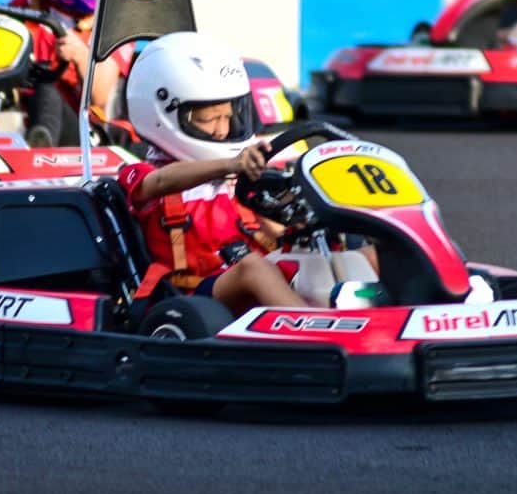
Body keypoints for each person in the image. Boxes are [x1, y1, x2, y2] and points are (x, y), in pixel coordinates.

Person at [114, 33, 345, 314]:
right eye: (208, 119)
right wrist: (230, 165)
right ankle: (316, 332)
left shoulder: (241, 178)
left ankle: (382, 318)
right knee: (253, 268)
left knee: (346, 254)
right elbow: (159, 182)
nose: (222, 130)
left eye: (228, 116)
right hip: (194, 291)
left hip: (253, 272)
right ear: (161, 113)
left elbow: (273, 231)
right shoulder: (141, 173)